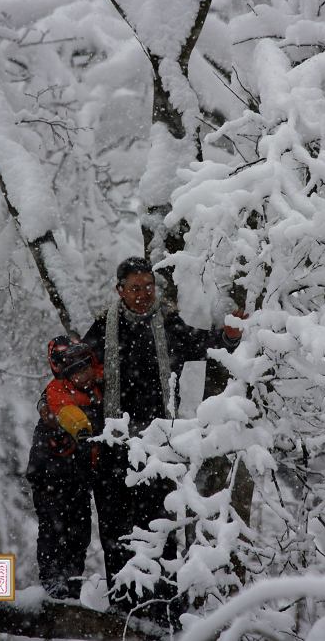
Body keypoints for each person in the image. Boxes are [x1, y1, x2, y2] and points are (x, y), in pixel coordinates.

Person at [83, 256, 244, 620]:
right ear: (119, 290)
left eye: (148, 287)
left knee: (162, 530)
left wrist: (229, 337)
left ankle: (164, 614)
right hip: (115, 449)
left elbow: (202, 344)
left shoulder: (166, 325)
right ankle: (124, 613)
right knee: (117, 534)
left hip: (159, 446)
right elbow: (80, 372)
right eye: (135, 288)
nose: (142, 295)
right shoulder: (103, 329)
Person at [26, 334, 104, 600]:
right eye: (78, 370)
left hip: (79, 478)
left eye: (87, 367)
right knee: (53, 527)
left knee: (78, 534)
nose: (85, 374)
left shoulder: (96, 386)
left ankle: (71, 585)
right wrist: (81, 431)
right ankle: (52, 582)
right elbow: (70, 416)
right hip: (51, 474)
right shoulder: (57, 392)